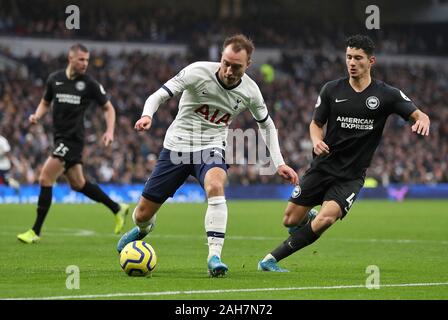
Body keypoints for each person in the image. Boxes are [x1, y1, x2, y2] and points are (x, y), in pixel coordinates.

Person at [117, 34, 298, 277]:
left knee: (215, 185)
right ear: (220, 57)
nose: (229, 70)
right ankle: (143, 229)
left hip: (211, 146)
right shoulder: (197, 71)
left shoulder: (251, 91)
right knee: (142, 214)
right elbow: (158, 95)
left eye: (237, 66)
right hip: (177, 146)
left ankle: (214, 256)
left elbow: (266, 125)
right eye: (226, 62)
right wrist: (147, 114)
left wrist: (279, 163)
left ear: (248, 65)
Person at [258, 34, 430, 272]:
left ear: (371, 61)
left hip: (351, 175)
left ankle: (270, 260)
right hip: (323, 165)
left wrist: (423, 120)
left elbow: (418, 114)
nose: (351, 62)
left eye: (358, 58)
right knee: (290, 220)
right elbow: (316, 123)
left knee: (325, 219)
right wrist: (316, 141)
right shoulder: (331, 89)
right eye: (348, 57)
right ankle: (306, 219)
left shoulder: (387, 94)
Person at [17, 44, 129, 244]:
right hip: (59, 137)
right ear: (71, 58)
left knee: (45, 177)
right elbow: (45, 102)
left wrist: (109, 131)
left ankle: (35, 231)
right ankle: (117, 208)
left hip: (73, 139)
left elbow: (108, 108)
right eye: (81, 59)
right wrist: (37, 115)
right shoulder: (55, 79)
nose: (85, 63)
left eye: (87, 60)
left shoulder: (89, 84)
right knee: (78, 184)